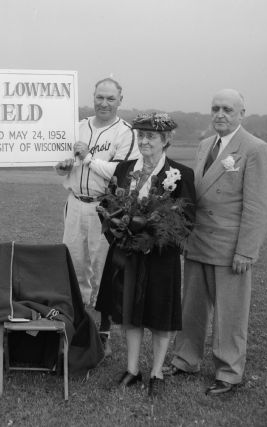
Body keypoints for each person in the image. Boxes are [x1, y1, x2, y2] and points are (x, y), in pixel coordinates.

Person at [166, 89, 267, 395]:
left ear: (242, 113)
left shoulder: (255, 149)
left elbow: (259, 207)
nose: (220, 114)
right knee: (192, 309)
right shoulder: (204, 146)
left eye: (228, 109)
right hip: (198, 241)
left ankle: (228, 372)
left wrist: (247, 250)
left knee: (231, 314)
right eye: (215, 108)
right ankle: (185, 359)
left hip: (230, 248)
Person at [95, 112, 196, 396]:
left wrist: (154, 239)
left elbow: (186, 220)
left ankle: (156, 373)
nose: (145, 141)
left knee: (159, 315)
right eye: (141, 136)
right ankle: (133, 370)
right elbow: (108, 206)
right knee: (131, 314)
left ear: (166, 141)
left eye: (151, 136)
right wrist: (118, 232)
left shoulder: (181, 174)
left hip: (161, 258)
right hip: (128, 256)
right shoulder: (123, 169)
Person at [55, 77, 138, 355]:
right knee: (73, 263)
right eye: (100, 97)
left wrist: (88, 158)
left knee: (104, 268)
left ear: (120, 101)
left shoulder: (126, 132)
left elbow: (121, 172)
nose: (104, 103)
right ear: (93, 97)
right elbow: (64, 167)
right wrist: (63, 166)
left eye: (110, 98)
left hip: (106, 206)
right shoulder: (78, 126)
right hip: (75, 202)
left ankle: (104, 331)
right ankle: (77, 323)